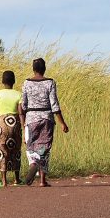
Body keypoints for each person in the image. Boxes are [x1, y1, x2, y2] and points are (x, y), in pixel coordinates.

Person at [19, 57, 69, 186]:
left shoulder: (26, 83)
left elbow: (22, 105)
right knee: (44, 147)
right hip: (47, 117)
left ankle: (33, 163)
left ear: (33, 69)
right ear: (44, 68)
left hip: (31, 118)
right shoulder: (50, 83)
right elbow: (54, 104)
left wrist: (23, 121)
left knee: (31, 145)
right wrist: (62, 122)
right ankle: (42, 180)